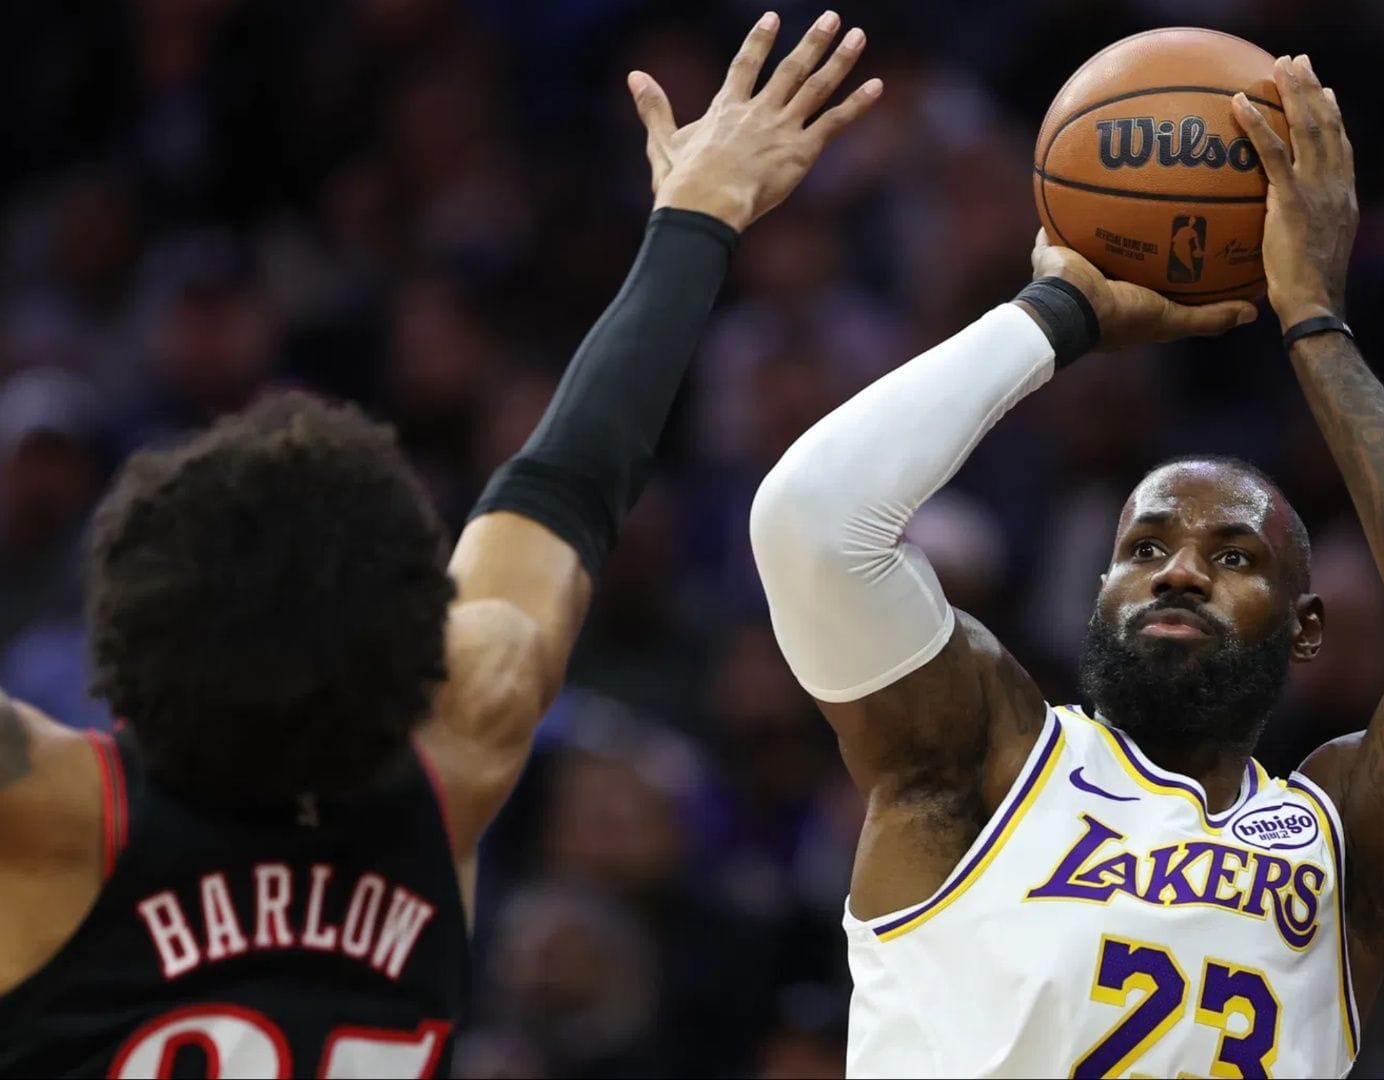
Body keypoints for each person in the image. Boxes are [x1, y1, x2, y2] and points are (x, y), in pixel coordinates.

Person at [0, 11, 879, 1074]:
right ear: (408, 635)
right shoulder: (459, 748)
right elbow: (565, 485)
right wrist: (698, 215)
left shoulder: (50, 812)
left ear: (129, 629)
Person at [752, 55, 1384, 1077]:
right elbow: (812, 523)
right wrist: (1056, 314)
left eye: (1235, 555)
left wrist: (1316, 329)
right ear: (1100, 593)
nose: (1179, 571)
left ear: (1307, 626)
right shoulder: (985, 762)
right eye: (1145, 548)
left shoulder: (1340, 836)